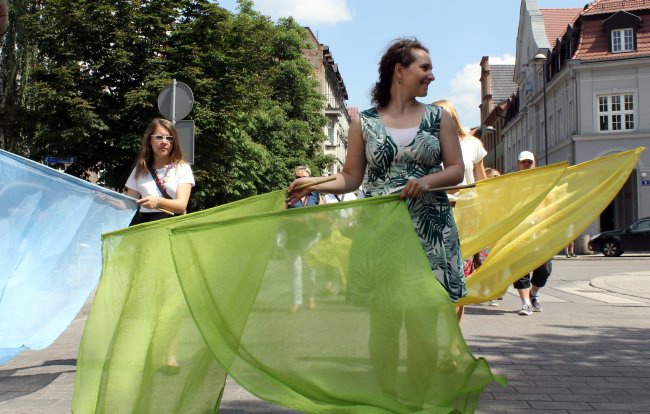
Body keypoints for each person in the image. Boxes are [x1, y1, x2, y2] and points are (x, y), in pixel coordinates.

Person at [287, 38, 465, 400]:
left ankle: (417, 400)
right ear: (400, 71)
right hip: (381, 232)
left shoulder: (438, 117)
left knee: (423, 326)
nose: (432, 75)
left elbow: (457, 170)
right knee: (384, 323)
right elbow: (351, 177)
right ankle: (386, 399)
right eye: (425, 68)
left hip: (429, 229)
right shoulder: (363, 123)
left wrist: (426, 181)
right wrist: (313, 182)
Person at [432, 99, 487, 319]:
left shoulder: (472, 144)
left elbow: (483, 183)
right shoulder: (426, 145)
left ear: (452, 117)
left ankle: (452, 335)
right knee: (436, 276)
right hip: (435, 213)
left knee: (458, 278)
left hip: (465, 214)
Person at [125, 118, 195, 225]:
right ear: (149, 140)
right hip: (146, 226)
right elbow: (128, 203)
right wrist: (105, 198)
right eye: (159, 137)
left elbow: (181, 205)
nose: (164, 142)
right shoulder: (140, 168)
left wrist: (157, 201)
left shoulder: (182, 167)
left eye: (169, 138)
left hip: (173, 227)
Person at [513, 150, 552, 316]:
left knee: (545, 269)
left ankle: (533, 295)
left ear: (534, 163)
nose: (526, 164)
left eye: (529, 162)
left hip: (541, 232)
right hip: (519, 233)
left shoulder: (544, 181)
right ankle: (526, 303)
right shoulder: (512, 182)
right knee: (520, 269)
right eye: (524, 162)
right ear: (518, 164)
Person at [287, 165, 319, 312]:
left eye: (304, 177)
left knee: (311, 270)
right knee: (296, 271)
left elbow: (324, 214)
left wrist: (315, 217)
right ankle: (297, 301)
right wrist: (295, 220)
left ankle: (311, 297)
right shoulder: (288, 195)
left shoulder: (316, 195)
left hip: (312, 238)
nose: (300, 179)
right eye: (298, 177)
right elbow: (281, 217)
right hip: (295, 239)